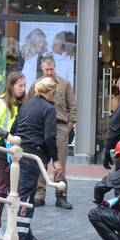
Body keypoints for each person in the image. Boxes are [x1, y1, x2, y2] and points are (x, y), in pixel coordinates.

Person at [13, 77, 62, 240]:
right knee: (26, 198)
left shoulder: (26, 105)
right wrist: (55, 159)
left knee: (23, 195)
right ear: (49, 91)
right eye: (54, 92)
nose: (55, 95)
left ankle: (26, 234)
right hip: (35, 156)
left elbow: (14, 129)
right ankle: (20, 239)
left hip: (21, 153)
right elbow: (49, 136)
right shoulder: (49, 109)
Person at [0, 71, 27, 240]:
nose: (23, 89)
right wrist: (7, 135)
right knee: (2, 190)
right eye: (20, 86)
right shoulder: (0, 102)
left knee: (12, 191)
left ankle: (11, 225)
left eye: (24, 85)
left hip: (12, 154)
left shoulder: (21, 104)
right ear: (11, 86)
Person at [32, 55, 76, 209]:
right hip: (42, 127)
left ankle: (61, 195)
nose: (49, 72)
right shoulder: (37, 84)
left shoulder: (64, 84)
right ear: (42, 68)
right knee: (41, 161)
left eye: (51, 69)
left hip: (60, 126)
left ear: (55, 68)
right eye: (46, 69)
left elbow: (72, 107)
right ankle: (39, 195)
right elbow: (31, 104)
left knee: (60, 164)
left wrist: (69, 126)